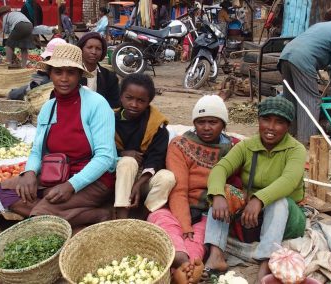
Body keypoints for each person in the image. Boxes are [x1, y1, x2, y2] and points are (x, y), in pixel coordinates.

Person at [0, 44, 117, 228]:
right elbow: (38, 149)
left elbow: (105, 158)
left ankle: (94, 214)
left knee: (41, 215)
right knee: (6, 190)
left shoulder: (97, 104)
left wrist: (71, 186)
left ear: (79, 76)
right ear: (50, 74)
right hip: (56, 172)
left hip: (93, 179)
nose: (64, 79)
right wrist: (29, 173)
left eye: (71, 72)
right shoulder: (48, 107)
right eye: (58, 72)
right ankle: (70, 213)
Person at [204, 96, 307, 283]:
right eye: (266, 119)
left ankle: (266, 262)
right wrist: (218, 195)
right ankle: (216, 254)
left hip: (287, 219)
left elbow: (289, 180)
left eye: (279, 122)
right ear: (258, 120)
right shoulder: (247, 146)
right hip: (253, 219)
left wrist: (259, 199)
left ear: (288, 126)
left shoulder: (296, 149)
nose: (271, 127)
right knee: (224, 191)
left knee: (279, 201)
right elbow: (220, 168)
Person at [148, 95, 240, 278]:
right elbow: (179, 189)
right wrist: (184, 224)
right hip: (177, 207)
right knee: (159, 218)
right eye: (200, 122)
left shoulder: (235, 148)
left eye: (213, 122)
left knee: (200, 237)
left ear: (223, 123)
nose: (206, 127)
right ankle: (182, 260)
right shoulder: (180, 145)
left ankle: (186, 267)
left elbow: (237, 184)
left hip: (209, 211)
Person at [278, 12, 331, 145]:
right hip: (302, 59)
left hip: (285, 55)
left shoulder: (321, 26)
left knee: (291, 99)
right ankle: (307, 140)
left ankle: (288, 134)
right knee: (311, 100)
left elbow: (317, 49)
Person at [113, 73, 175, 219]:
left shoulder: (156, 125)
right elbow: (102, 148)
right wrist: (122, 153)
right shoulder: (110, 120)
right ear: (121, 96)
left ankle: (143, 217)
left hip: (145, 177)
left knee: (168, 177)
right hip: (117, 176)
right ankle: (122, 216)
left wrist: (139, 184)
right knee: (128, 161)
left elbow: (157, 158)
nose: (134, 104)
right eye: (129, 98)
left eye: (141, 100)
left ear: (149, 102)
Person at [76, 32, 120, 108]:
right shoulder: (73, 74)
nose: (94, 52)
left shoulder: (109, 77)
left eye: (98, 49)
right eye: (89, 47)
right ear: (81, 50)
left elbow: (114, 103)